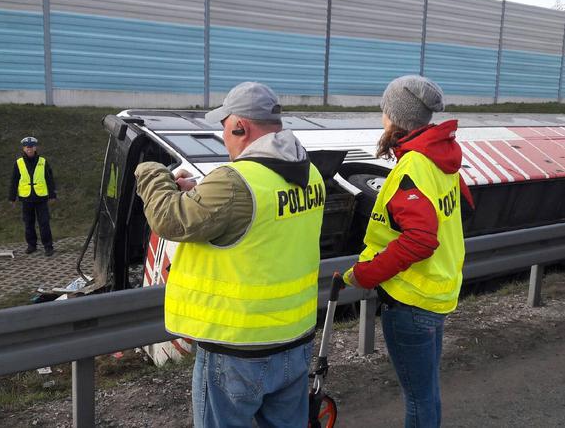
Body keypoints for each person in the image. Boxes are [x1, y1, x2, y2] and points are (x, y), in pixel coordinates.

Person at [134, 82, 326, 427]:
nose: (224, 137)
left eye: (224, 128)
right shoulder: (310, 173)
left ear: (240, 126)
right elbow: (261, 226)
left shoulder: (236, 181)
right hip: (293, 342)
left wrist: (151, 172)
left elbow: (170, 220)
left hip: (238, 351)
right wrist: (201, 196)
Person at [343, 75, 474, 428]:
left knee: (419, 399)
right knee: (427, 393)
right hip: (437, 291)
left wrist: (365, 274)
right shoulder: (439, 158)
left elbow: (420, 239)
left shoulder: (413, 167)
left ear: (394, 115)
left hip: (412, 300)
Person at [9, 136, 57, 256]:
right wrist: (12, 197)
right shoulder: (18, 163)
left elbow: (49, 179)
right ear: (23, 148)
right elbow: (14, 180)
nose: (29, 149)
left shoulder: (43, 161)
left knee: (44, 223)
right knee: (28, 223)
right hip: (26, 198)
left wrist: (52, 195)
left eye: (31, 147)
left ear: (35, 147)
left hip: (41, 197)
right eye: (27, 147)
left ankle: (48, 246)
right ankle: (32, 245)